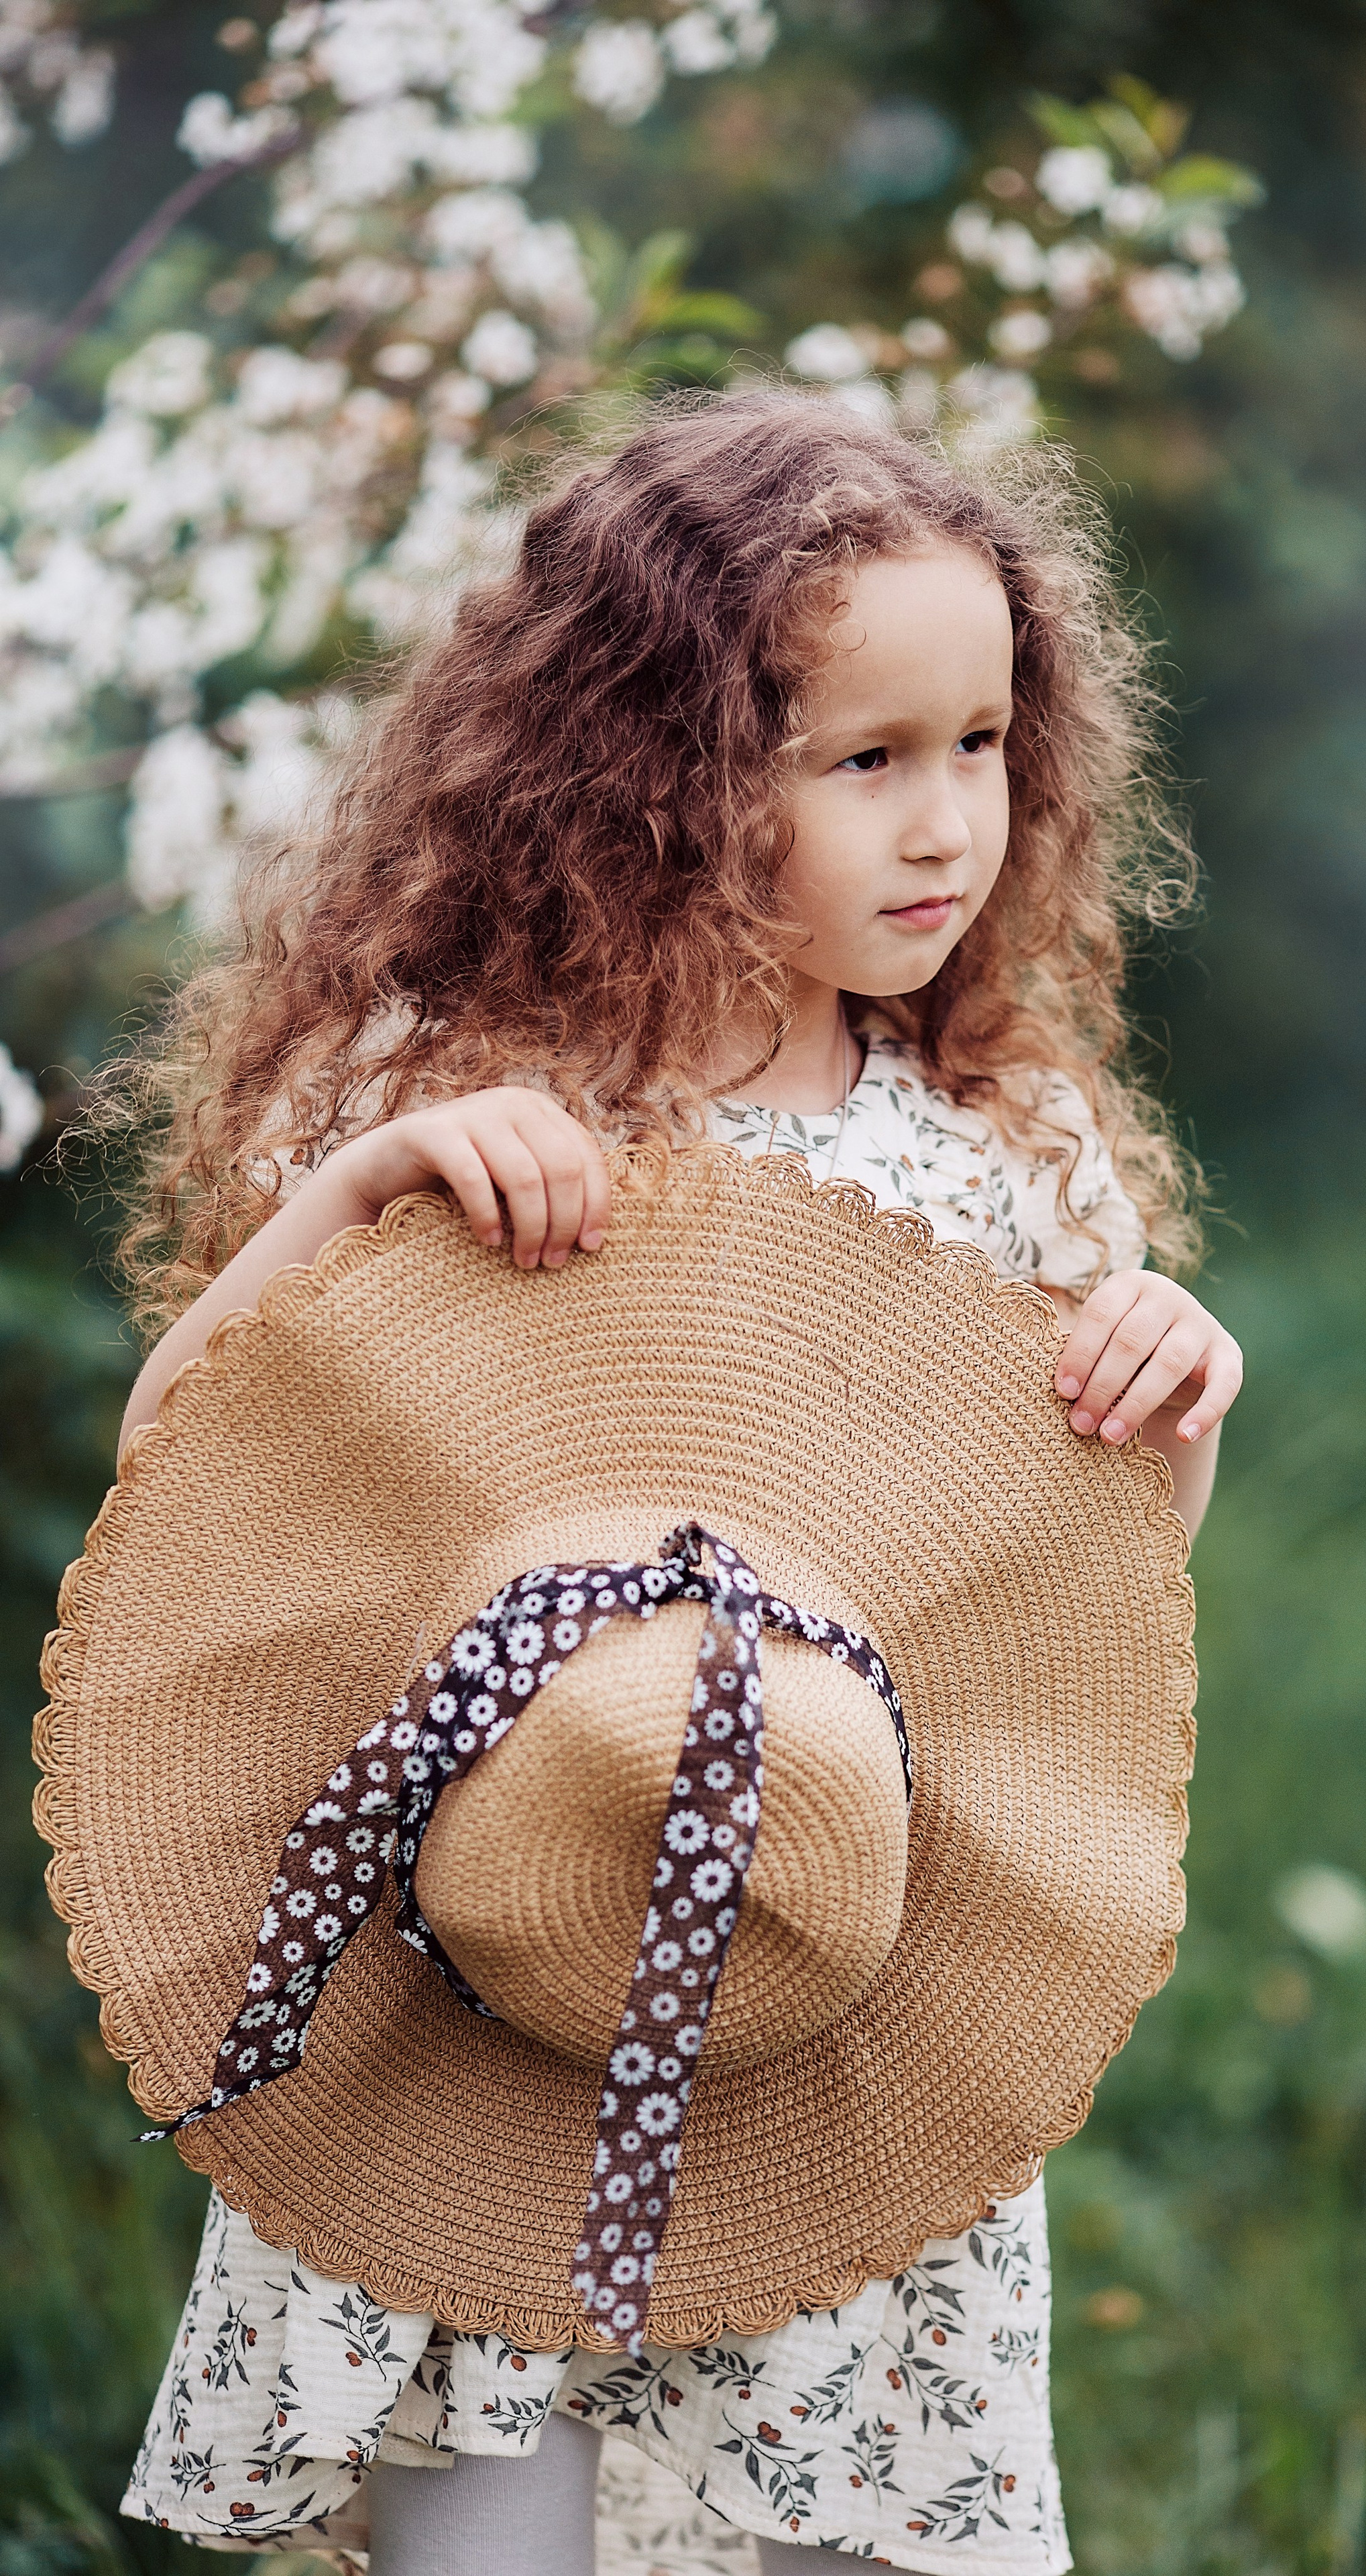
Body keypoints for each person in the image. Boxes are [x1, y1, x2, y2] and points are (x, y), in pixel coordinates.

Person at [111, 390, 1242, 2574]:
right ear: (656, 774)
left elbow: (1040, 1625)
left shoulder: (1000, 1157)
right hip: (486, 1988)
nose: (948, 828)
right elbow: (185, 1485)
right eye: (863, 760)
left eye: (986, 746)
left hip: (827, 1995)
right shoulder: (463, 1108)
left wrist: (1168, 1423)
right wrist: (364, 1179)